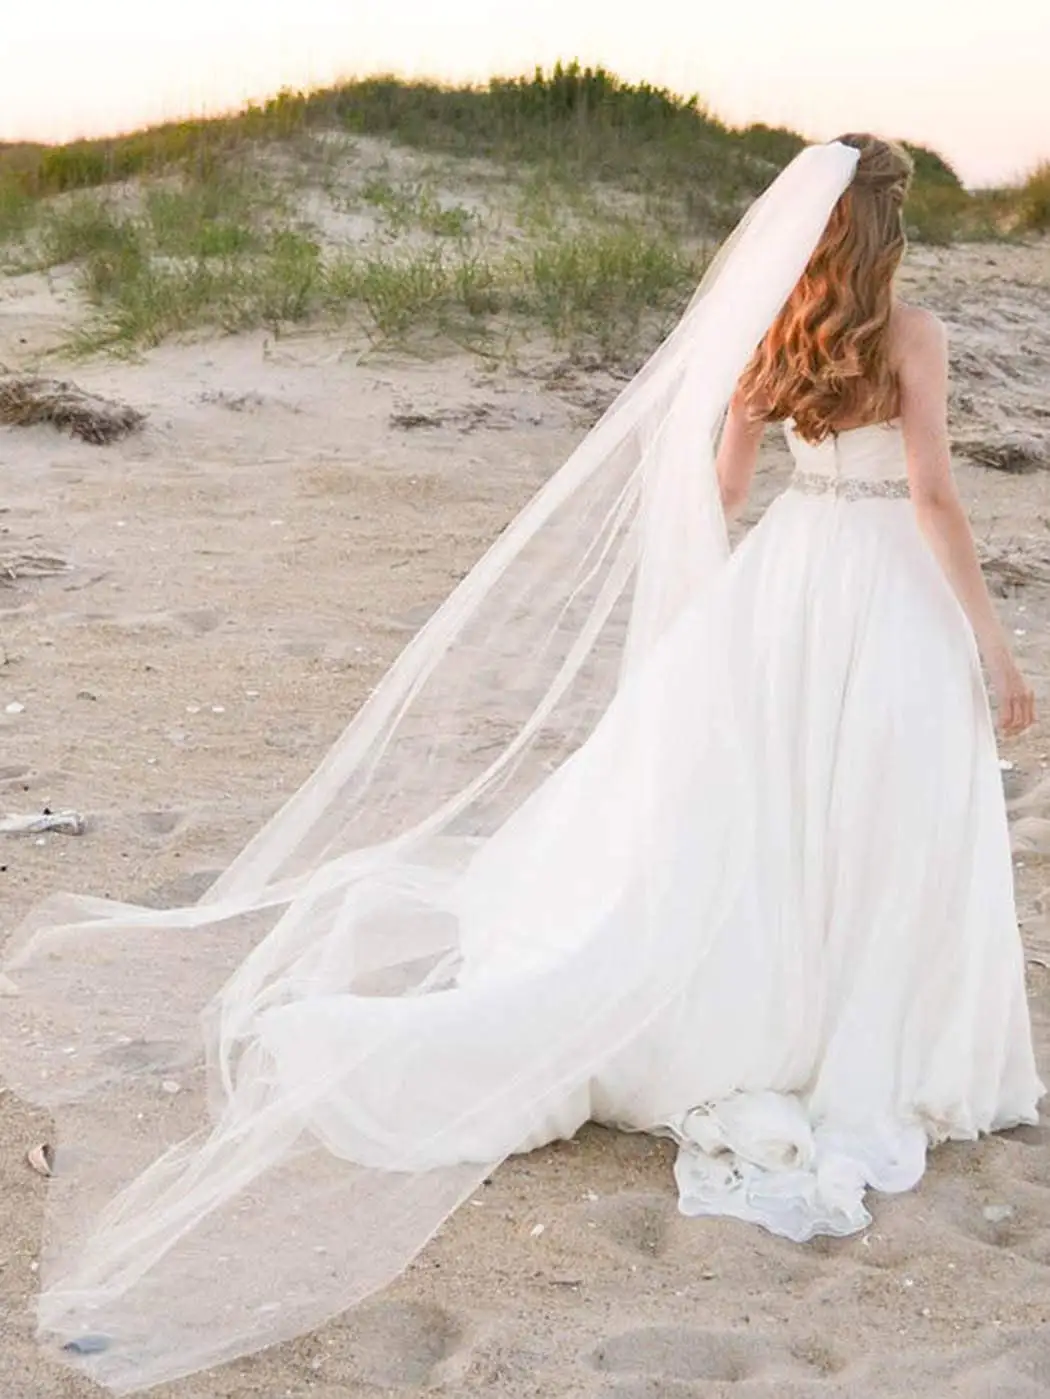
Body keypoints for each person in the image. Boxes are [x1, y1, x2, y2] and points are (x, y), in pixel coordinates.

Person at [1, 134, 1042, 1394]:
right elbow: (934, 496)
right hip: (881, 589)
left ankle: (797, 1009)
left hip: (792, 580)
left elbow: (719, 487)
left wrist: (729, 618)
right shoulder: (914, 336)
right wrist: (995, 649)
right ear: (890, 231)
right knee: (883, 813)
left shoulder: (775, 334)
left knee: (775, 810)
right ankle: (885, 1036)